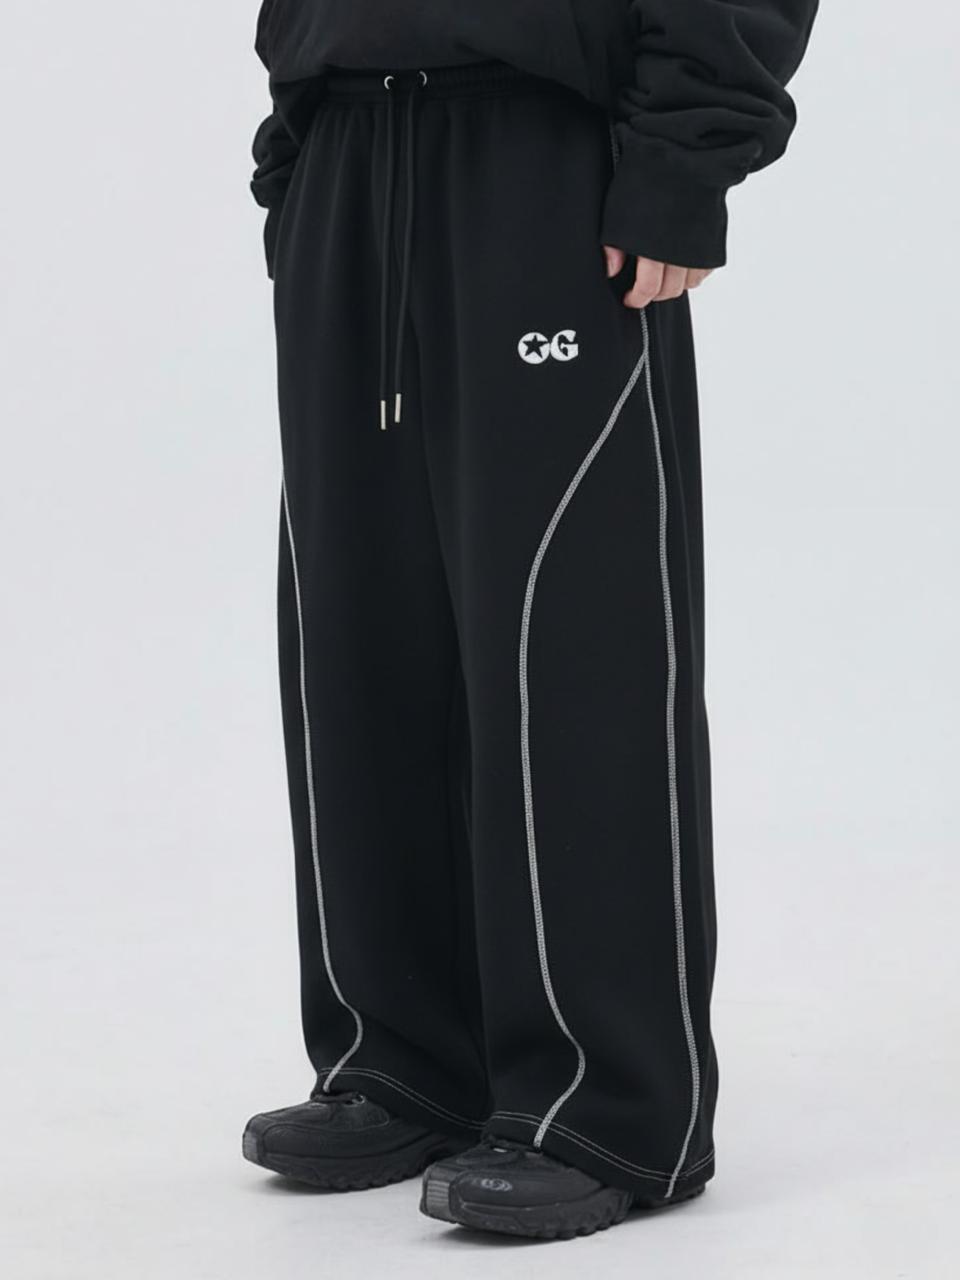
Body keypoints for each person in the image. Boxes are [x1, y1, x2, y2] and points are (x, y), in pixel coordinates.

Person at [244, 0, 818, 1240]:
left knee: (571, 637)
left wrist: (683, 157)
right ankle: (405, 1058)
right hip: (347, 148)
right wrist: (294, 140)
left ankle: (608, 1102)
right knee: (358, 630)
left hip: (545, 156)